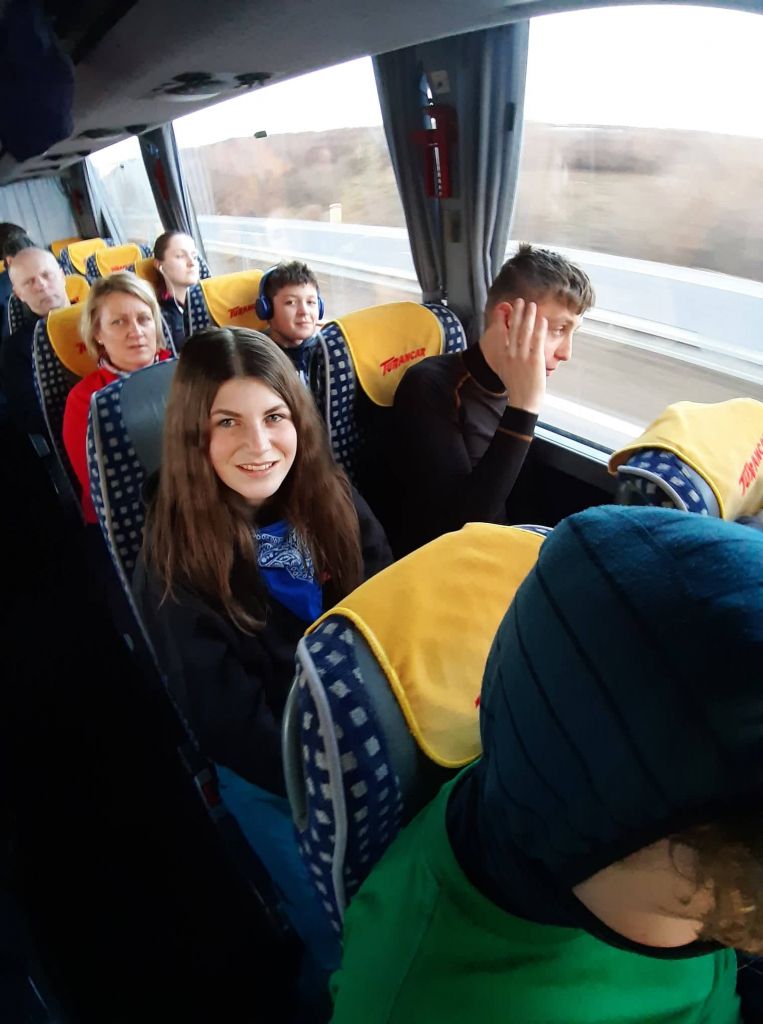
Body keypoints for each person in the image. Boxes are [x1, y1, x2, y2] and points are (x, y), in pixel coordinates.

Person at [330, 505, 763, 1024]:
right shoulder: (413, 1000)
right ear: (586, 833)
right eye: (720, 917)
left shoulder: (610, 808)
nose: (734, 940)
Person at [132, 327, 391, 987]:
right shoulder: (173, 560)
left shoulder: (328, 494)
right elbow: (229, 723)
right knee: (345, 937)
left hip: (368, 727)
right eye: (228, 422)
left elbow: (388, 605)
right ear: (194, 435)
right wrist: (337, 782)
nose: (259, 444)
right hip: (276, 772)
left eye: (274, 416)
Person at [385, 244, 594, 555]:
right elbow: (459, 528)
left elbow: (522, 502)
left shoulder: (513, 385)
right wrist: (524, 407)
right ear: (508, 319)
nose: (566, 353)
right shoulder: (429, 387)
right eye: (559, 330)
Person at [62, 272, 171, 523]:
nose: (136, 331)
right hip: (134, 519)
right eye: (119, 322)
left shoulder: (186, 371)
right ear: (97, 333)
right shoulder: (86, 400)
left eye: (144, 319)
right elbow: (100, 485)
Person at [0, 246, 68, 434]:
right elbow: (29, 417)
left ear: (62, 276)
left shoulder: (100, 319)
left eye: (47, 275)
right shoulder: (15, 349)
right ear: (18, 294)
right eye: (29, 282)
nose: (41, 285)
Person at [255, 261, 325, 383]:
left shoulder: (323, 351)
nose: (304, 311)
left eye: (310, 302)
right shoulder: (259, 360)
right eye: (290, 302)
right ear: (266, 309)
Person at [152, 230, 200, 352]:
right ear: (159, 265)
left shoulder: (209, 304)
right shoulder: (159, 317)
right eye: (180, 256)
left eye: (195, 256)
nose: (192, 262)